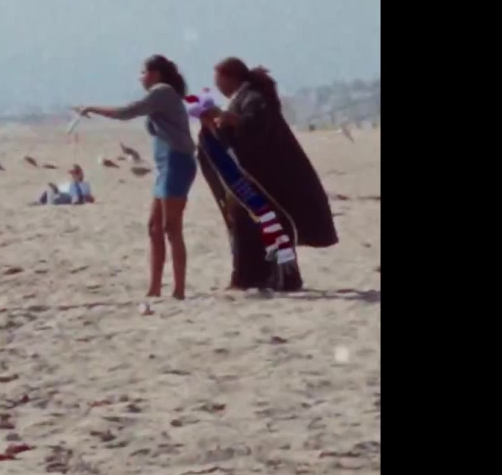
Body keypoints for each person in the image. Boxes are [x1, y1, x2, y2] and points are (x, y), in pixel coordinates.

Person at [197, 57, 338, 290]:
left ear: (230, 78)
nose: (218, 87)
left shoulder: (254, 98)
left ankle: (275, 278)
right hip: (253, 178)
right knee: (253, 228)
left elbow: (256, 129)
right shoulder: (244, 98)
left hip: (268, 180)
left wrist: (232, 120)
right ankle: (254, 278)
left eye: (218, 81)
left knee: (268, 227)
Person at [80, 55, 197, 299]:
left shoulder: (162, 91)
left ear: (156, 73)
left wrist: (92, 108)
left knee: (172, 227)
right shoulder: (161, 95)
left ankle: (179, 290)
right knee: (154, 227)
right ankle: (154, 288)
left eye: (143, 72)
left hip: (177, 162)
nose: (140, 78)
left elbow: (127, 112)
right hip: (165, 165)